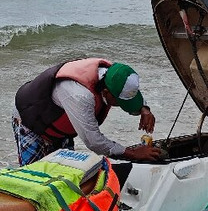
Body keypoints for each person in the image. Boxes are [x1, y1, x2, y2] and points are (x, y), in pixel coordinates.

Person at [12, 59, 163, 166]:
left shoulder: (114, 74)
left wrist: (144, 109)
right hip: (31, 119)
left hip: (60, 128)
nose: (122, 106)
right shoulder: (80, 95)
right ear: (106, 92)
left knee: (64, 177)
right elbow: (94, 142)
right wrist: (133, 153)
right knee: (35, 178)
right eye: (120, 102)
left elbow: (129, 89)